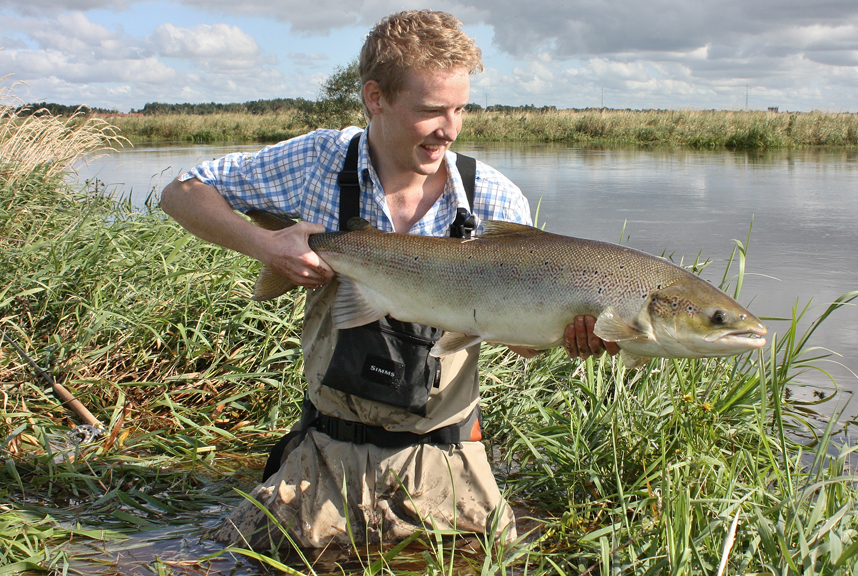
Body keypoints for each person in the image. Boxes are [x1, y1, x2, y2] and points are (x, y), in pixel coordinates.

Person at [160, 9, 617, 551]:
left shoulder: (492, 200)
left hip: (444, 459)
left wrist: (568, 334)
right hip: (325, 450)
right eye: (430, 111)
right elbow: (181, 191)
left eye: (460, 109)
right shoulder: (318, 162)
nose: (450, 128)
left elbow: (518, 342)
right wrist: (266, 245)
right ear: (376, 98)